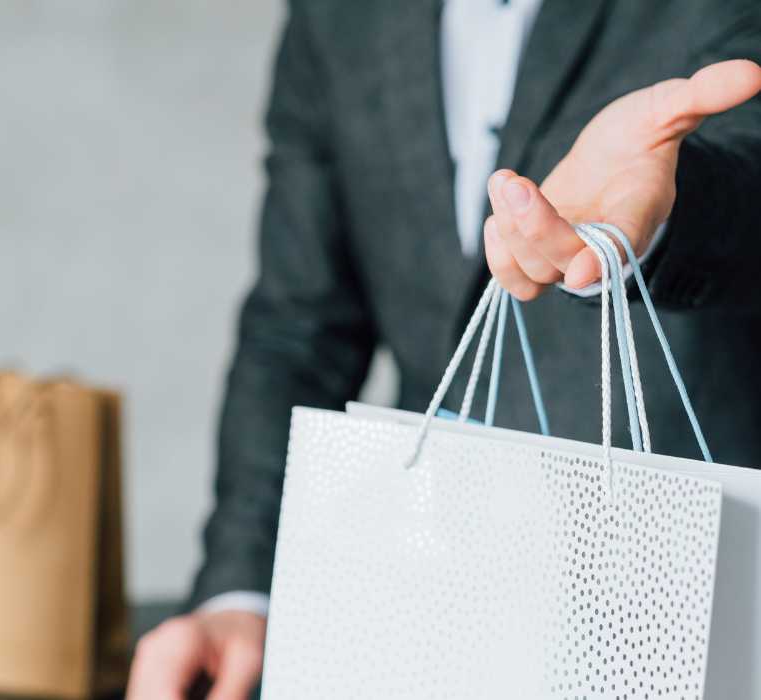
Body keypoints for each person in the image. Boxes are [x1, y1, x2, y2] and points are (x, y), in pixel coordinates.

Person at [127, 1, 761, 698]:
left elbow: (748, 160)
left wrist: (654, 219)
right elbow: (298, 328)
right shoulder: (336, 17)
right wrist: (243, 597)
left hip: (670, 604)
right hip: (426, 611)